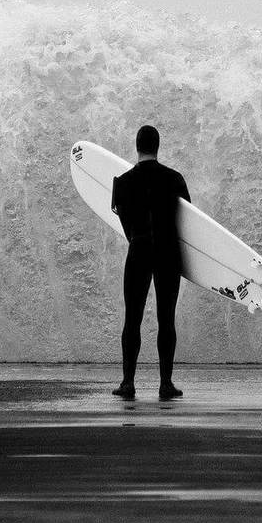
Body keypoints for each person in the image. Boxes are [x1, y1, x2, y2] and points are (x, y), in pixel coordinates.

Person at [110, 125, 190, 400]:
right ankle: (165, 384)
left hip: (139, 250)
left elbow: (124, 224)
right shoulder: (174, 179)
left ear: (137, 146)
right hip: (168, 252)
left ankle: (128, 383)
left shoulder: (122, 182)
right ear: (157, 146)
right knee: (166, 319)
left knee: (132, 318)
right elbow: (189, 223)